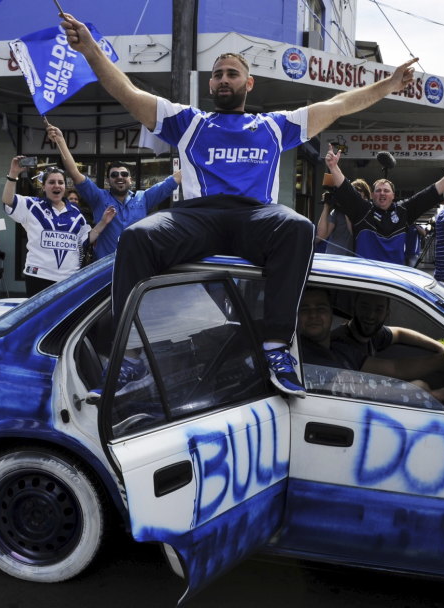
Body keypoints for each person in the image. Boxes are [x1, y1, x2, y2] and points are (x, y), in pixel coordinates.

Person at [61, 12, 419, 398]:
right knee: (135, 237)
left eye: (232, 73)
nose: (223, 79)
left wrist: (390, 84)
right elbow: (128, 93)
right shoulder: (189, 121)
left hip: (255, 216)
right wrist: (90, 49)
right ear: (210, 84)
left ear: (248, 83)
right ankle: (129, 359)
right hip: (198, 216)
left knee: (298, 227)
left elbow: (340, 104)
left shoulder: (274, 125)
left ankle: (276, 349)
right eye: (217, 74)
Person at [299, 289, 444, 404]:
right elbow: (366, 392)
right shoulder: (300, 355)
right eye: (305, 309)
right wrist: (435, 394)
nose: (313, 315)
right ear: (353, 309)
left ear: (331, 313)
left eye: (321, 308)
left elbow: (395, 367)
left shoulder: (341, 350)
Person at [46, 124, 182, 260]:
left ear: (131, 179)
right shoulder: (98, 197)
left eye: (123, 174)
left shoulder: (144, 198)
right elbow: (74, 173)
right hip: (104, 271)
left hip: (136, 266)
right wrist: (60, 141)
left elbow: (173, 180)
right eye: (114, 175)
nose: (119, 177)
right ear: (108, 181)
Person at [323, 144, 444, 265]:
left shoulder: (403, 211)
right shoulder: (363, 210)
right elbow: (346, 188)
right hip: (366, 282)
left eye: (386, 191)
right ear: (372, 195)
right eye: (378, 191)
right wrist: (333, 167)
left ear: (393, 196)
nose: (382, 193)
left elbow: (428, 194)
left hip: (394, 284)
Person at [2, 158, 117, 296]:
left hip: (68, 278)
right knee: (40, 317)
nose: (56, 185)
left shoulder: (75, 212)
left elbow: (85, 240)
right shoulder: (32, 205)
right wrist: (13, 174)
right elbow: (8, 200)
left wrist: (104, 222)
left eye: (60, 182)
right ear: (43, 187)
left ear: (65, 187)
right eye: (51, 182)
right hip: (39, 276)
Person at [316, 179, 370, 256]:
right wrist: (326, 206)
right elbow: (320, 236)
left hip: (352, 261)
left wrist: (346, 209)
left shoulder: (367, 213)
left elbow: (353, 233)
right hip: (333, 258)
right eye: (352, 192)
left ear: (366, 197)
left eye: (358, 192)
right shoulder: (337, 212)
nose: (354, 195)